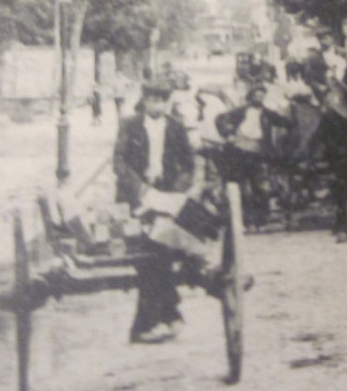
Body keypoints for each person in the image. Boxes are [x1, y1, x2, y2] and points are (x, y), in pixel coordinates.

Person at [113, 79, 197, 344]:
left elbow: (189, 165)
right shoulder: (130, 125)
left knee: (167, 246)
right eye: (153, 99)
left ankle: (159, 317)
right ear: (145, 100)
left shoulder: (176, 126)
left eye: (163, 100)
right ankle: (163, 315)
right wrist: (139, 188)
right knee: (152, 252)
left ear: (168, 101)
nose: (157, 105)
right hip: (136, 198)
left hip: (167, 195)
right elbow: (119, 161)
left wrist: (177, 189)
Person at [215, 83, 294, 229]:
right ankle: (246, 221)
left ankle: (261, 220)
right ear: (251, 96)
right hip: (240, 151)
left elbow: (286, 122)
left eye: (262, 95)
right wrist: (228, 134)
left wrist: (292, 110)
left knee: (261, 187)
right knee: (243, 188)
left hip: (258, 152)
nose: (259, 97)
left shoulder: (267, 113)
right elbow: (220, 119)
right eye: (256, 94)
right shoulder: (240, 111)